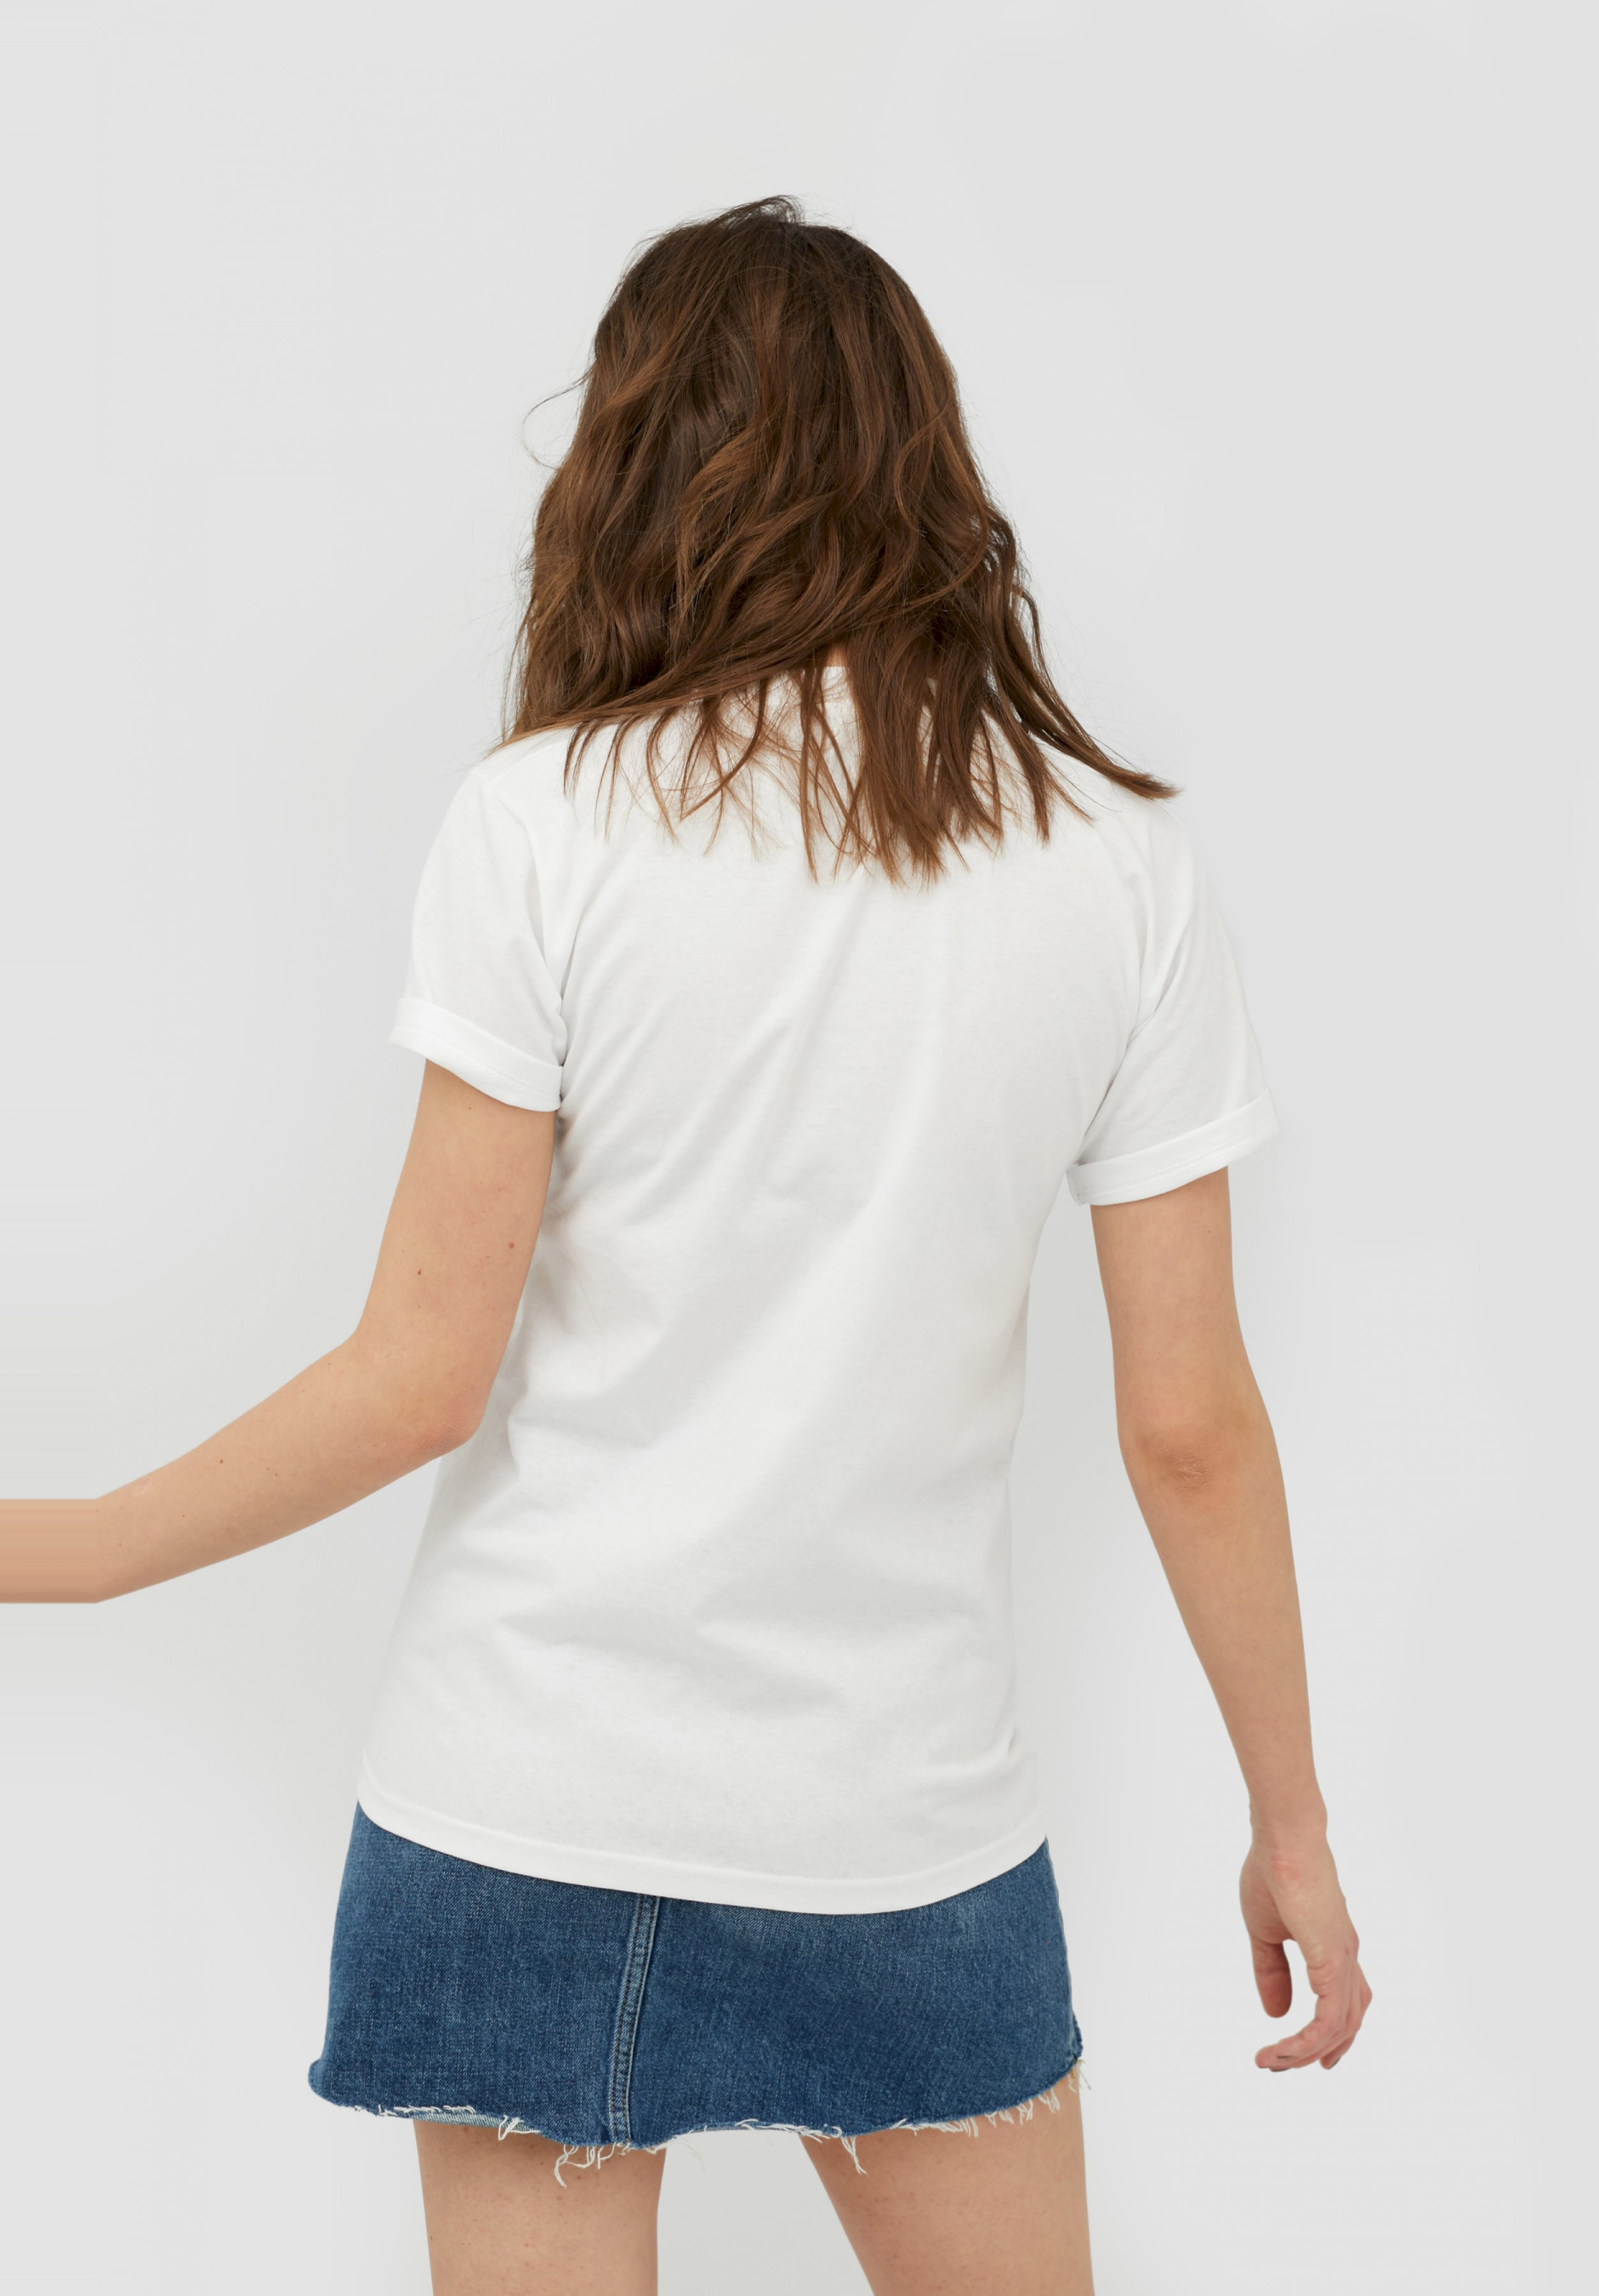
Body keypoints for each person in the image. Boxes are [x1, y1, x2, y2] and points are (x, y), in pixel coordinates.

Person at [3, 196, 1369, 2295]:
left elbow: (416, 1375)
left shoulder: (543, 825)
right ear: (925, 463)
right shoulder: (1112, 871)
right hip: (904, 1830)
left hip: (524, 1806)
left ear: (629, 464)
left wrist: (79, 1547)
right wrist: (1289, 1823)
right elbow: (1187, 1428)